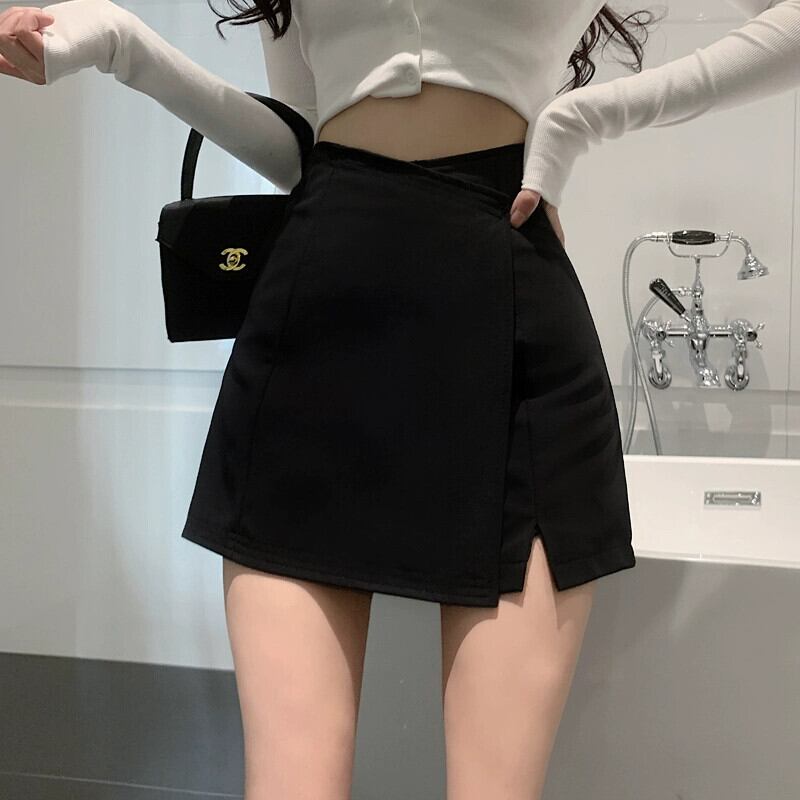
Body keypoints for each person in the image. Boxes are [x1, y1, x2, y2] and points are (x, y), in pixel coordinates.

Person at [2, 2, 798, 798]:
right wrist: (119, 44)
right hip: (317, 326)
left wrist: (582, 118)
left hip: (515, 333)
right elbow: (301, 148)